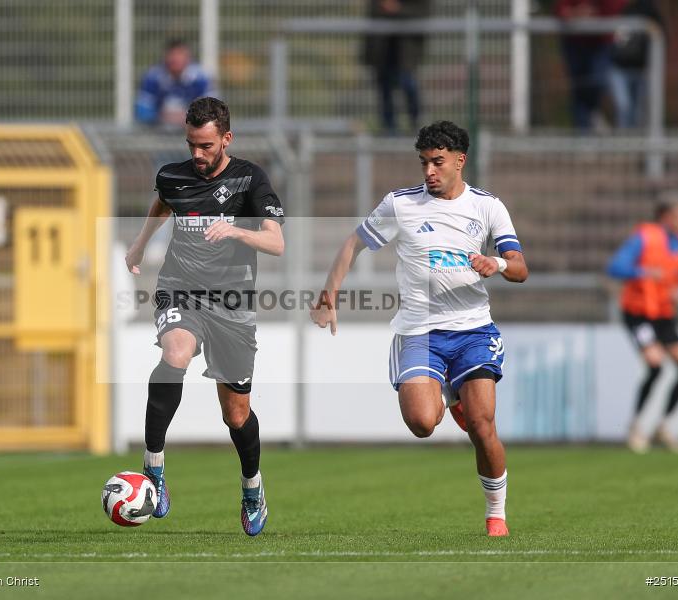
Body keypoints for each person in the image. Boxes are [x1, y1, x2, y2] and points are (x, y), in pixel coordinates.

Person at [310, 120, 528, 537]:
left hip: (473, 332)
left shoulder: (487, 206)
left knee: (483, 427)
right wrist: (329, 294)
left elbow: (520, 268)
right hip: (419, 333)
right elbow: (353, 243)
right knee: (423, 423)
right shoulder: (400, 204)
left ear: (460, 161)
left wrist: (495, 264)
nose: (429, 171)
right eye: (424, 162)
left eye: (438, 162)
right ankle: (450, 396)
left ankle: (496, 513)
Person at [125, 97, 285, 536]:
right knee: (175, 353)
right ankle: (153, 465)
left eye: (207, 146)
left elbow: (276, 243)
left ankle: (252, 485)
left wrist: (235, 228)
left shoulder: (250, 178)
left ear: (226, 139)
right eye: (192, 144)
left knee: (236, 414)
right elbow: (163, 203)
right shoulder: (173, 175)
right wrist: (140, 245)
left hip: (232, 303)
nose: (197, 155)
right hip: (180, 287)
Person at [607, 192, 678, 453]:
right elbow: (615, 267)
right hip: (638, 313)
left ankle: (663, 425)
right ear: (665, 216)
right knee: (656, 365)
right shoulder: (645, 237)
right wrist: (642, 272)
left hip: (664, 314)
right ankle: (636, 426)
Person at [554, 0, 626, 132]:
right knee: (579, 90)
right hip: (575, 42)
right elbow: (561, 10)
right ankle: (583, 137)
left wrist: (594, 13)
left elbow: (615, 9)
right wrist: (575, 14)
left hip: (601, 42)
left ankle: (593, 111)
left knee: (598, 81)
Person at [362, 0, 429, 134]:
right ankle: (390, 129)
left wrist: (397, 9)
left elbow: (422, 13)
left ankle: (416, 124)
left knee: (408, 84)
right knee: (385, 89)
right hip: (383, 49)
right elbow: (373, 12)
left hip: (407, 50)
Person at [135, 40, 216, 130]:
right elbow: (142, 110)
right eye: (172, 54)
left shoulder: (201, 78)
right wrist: (162, 116)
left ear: (188, 57)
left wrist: (189, 117)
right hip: (159, 133)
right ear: (165, 57)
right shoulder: (153, 77)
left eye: (180, 54)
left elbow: (213, 110)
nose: (175, 59)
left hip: (193, 132)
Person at [608, 0, 663, 129]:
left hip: (641, 68)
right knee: (624, 106)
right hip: (618, 66)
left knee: (639, 111)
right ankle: (623, 143)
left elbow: (662, 35)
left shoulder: (650, 11)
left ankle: (638, 143)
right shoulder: (617, 8)